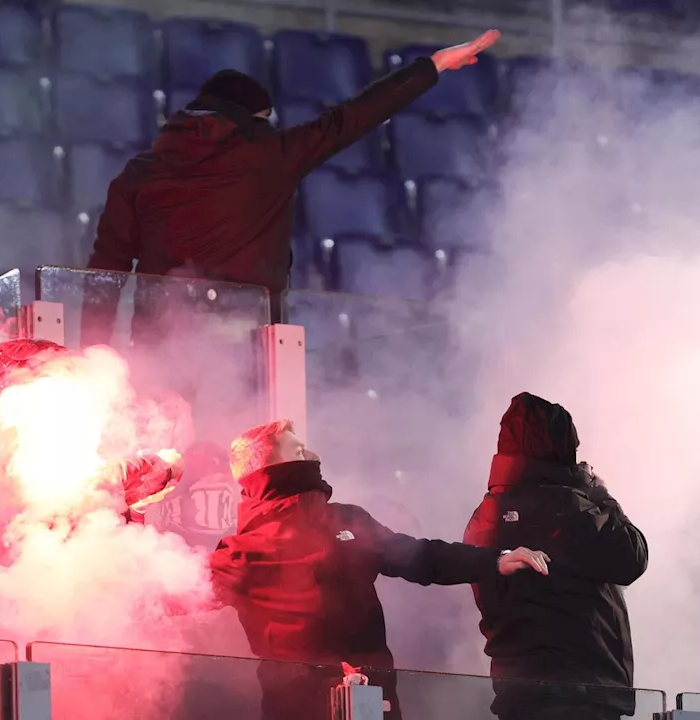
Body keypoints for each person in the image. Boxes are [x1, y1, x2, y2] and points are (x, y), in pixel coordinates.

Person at [82, 29, 502, 346]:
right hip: (245, 344)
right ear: (252, 118)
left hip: (160, 345)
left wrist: (92, 354)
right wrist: (432, 66)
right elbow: (354, 116)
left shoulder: (138, 173)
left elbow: (106, 270)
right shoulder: (272, 153)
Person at [208, 419, 550, 720]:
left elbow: (419, 556)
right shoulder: (240, 554)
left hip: (373, 703)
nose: (314, 457)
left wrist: (492, 560)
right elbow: (171, 598)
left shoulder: (347, 519)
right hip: (296, 711)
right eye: (298, 452)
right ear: (269, 471)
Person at [464, 393, 648, 720]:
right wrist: (599, 494)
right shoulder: (569, 508)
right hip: (579, 697)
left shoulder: (482, 517)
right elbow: (632, 556)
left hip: (516, 696)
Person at [0, 338, 184, 518]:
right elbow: (98, 488)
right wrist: (156, 473)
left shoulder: (65, 436)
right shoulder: (19, 466)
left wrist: (139, 503)